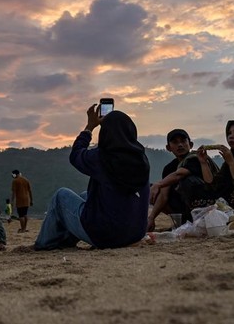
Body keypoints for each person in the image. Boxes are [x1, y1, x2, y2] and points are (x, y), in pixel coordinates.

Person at [34, 107, 150, 250]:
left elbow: (76, 154)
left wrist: (90, 127)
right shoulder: (142, 160)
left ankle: (44, 244)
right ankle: (65, 241)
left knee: (61, 196)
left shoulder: (102, 158)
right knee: (85, 196)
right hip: (134, 234)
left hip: (107, 236)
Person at [147, 129, 218, 231]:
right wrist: (151, 217)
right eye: (175, 142)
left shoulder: (195, 159)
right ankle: (183, 221)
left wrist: (158, 184)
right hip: (182, 207)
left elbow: (179, 174)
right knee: (153, 190)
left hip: (205, 205)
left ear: (191, 144)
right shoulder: (169, 168)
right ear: (168, 148)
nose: (180, 145)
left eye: (183, 141)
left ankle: (198, 220)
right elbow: (163, 195)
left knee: (188, 181)